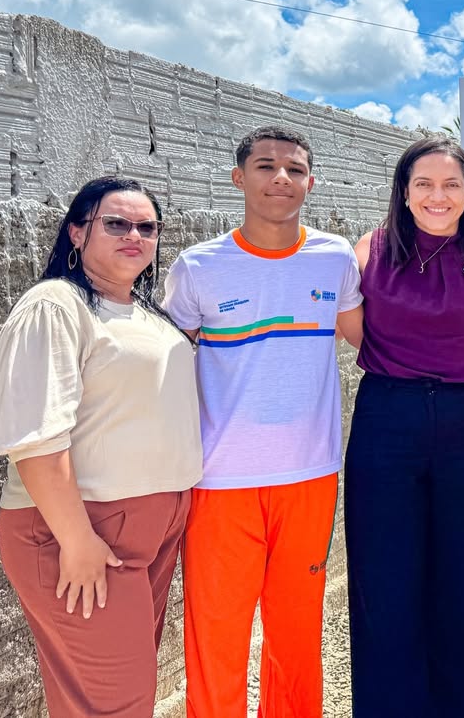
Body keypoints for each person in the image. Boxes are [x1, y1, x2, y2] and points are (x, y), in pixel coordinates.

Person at [163, 125, 362, 717]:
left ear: (311, 182)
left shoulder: (334, 258)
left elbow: (373, 344)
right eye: (266, 166)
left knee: (296, 634)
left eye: (295, 169)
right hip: (219, 480)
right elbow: (164, 366)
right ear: (238, 177)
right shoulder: (198, 267)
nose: (281, 178)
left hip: (310, 477)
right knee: (216, 637)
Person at [0, 177, 202, 717]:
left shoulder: (147, 313)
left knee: (111, 694)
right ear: (78, 232)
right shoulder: (54, 306)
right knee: (114, 703)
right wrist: (77, 539)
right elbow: (35, 436)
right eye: (116, 223)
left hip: (152, 527)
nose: (135, 235)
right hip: (83, 530)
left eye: (147, 227)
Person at [345, 135, 464, 717]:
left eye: (451, 184)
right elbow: (355, 332)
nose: (437, 195)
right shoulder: (369, 251)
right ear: (404, 192)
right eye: (423, 183)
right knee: (383, 582)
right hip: (386, 421)